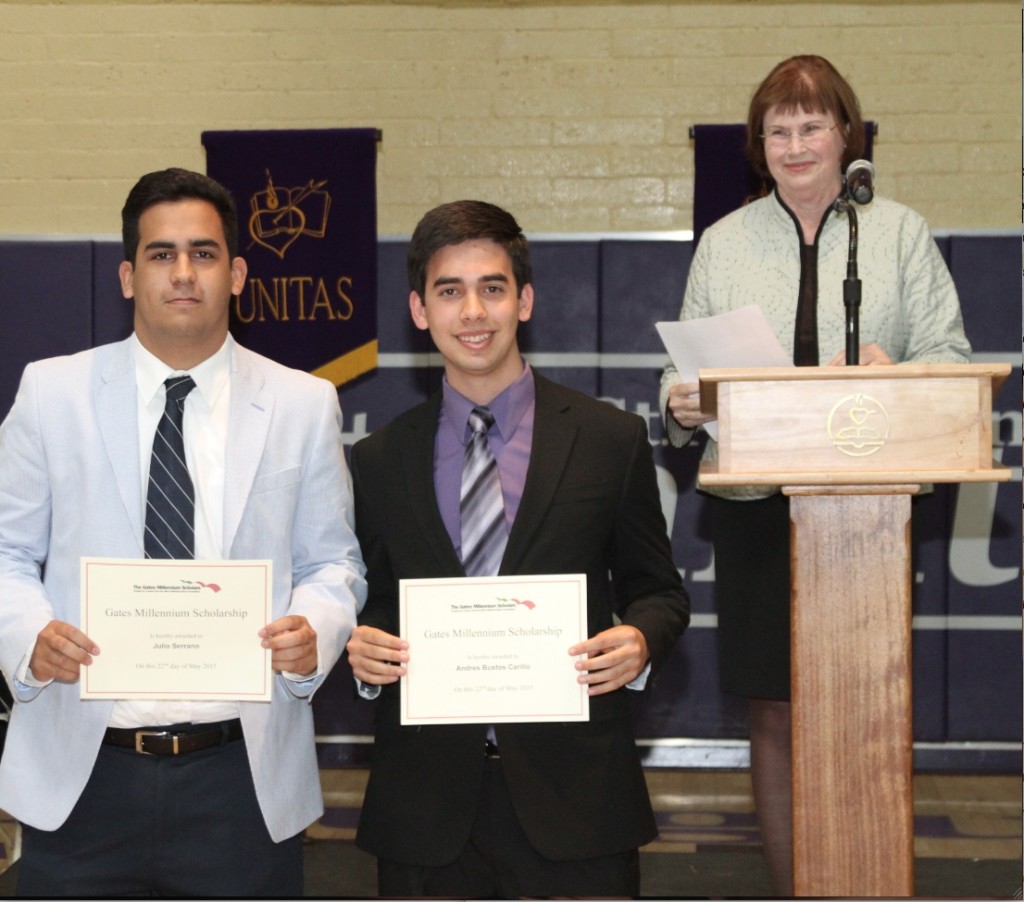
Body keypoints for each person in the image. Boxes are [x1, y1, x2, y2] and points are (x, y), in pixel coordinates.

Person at [0, 167, 367, 896]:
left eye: (203, 254)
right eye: (161, 255)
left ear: (235, 274)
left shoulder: (303, 403)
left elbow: (335, 565)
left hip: (239, 781)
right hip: (81, 772)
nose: (183, 273)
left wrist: (314, 632)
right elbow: (6, 553)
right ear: (129, 276)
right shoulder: (52, 392)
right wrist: (29, 639)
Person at [660, 55, 970, 895]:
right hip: (758, 505)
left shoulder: (899, 233)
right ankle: (799, 887)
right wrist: (683, 404)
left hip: (868, 509)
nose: (796, 144)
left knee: (867, 706)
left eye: (812, 125)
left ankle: (867, 880)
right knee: (775, 708)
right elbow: (677, 377)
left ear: (847, 136)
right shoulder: (724, 244)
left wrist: (892, 368)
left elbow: (951, 357)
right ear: (760, 146)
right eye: (778, 130)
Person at [345, 199, 690, 898]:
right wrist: (362, 649)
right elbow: (374, 602)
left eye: (492, 288)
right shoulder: (379, 460)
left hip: (578, 801)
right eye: (450, 291)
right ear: (419, 310)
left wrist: (640, 640)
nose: (473, 311)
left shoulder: (607, 440)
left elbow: (660, 590)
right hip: (427, 811)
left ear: (523, 300)